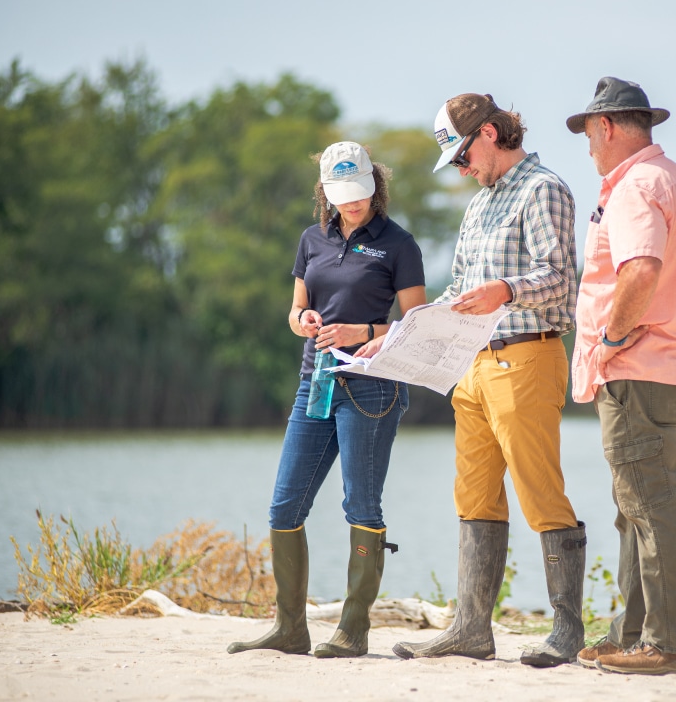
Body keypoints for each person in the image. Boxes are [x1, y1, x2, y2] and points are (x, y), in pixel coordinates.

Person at [391, 93, 586, 668]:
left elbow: (559, 278)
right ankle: (471, 630)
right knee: (473, 495)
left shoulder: (544, 188)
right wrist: (400, 335)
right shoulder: (478, 206)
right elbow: (457, 290)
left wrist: (506, 290)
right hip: (471, 367)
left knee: (539, 491)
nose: (460, 168)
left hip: (527, 358)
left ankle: (568, 631)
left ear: (490, 135)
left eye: (461, 156)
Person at [227, 141, 426, 659]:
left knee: (361, 504)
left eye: (359, 193)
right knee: (284, 506)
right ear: (326, 192)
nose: (352, 203)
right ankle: (290, 628)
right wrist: (305, 321)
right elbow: (295, 310)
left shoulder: (399, 244)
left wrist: (362, 330)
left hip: (372, 386)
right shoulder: (311, 239)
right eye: (341, 195)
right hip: (314, 384)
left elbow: (418, 324)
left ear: (374, 185)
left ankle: (353, 629)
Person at [565, 77, 676, 677]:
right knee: (639, 508)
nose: (588, 148)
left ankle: (670, 645)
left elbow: (642, 269)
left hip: (640, 368)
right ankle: (633, 632)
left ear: (605, 127)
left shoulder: (632, 186)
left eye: (587, 135)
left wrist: (614, 339)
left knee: (651, 508)